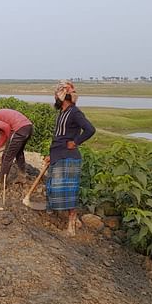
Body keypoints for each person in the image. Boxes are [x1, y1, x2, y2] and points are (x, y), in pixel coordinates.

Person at [44, 80, 96, 235]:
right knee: (54, 186)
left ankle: (71, 223)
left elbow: (90, 129)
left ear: (62, 96)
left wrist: (76, 142)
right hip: (58, 154)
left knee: (68, 191)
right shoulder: (62, 112)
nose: (54, 98)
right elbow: (59, 137)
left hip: (69, 157)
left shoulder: (75, 112)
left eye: (56, 95)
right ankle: (66, 218)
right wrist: (50, 155)